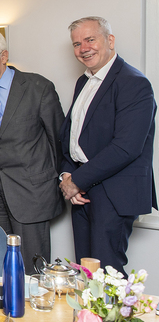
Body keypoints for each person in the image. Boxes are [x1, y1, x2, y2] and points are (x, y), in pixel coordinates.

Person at [60, 17, 156, 275]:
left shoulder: (134, 82)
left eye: (90, 40)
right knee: (85, 273)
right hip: (82, 190)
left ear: (110, 40)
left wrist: (76, 180)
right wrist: (67, 174)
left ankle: (114, 319)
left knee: (107, 276)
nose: (83, 48)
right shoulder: (84, 81)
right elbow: (72, 135)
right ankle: (87, 319)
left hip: (114, 192)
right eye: (77, 43)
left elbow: (127, 147)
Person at [0, 29, 64, 274]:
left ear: (3, 56)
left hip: (31, 194)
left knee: (33, 271)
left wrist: (63, 182)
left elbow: (58, 141)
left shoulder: (38, 87)